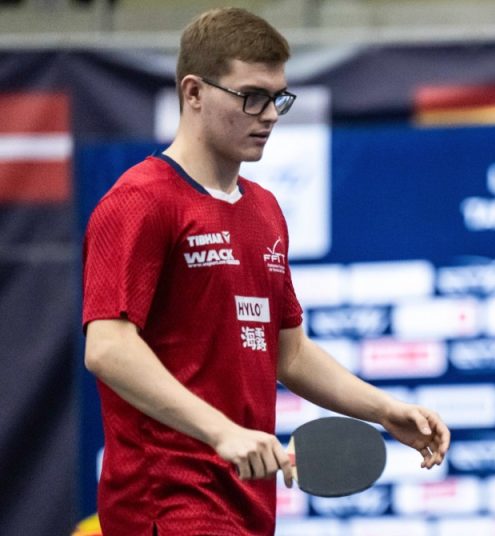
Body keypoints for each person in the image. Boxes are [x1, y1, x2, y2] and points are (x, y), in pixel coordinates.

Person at [82, 8, 449, 535]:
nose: (271, 114)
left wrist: (384, 409)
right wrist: (221, 432)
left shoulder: (264, 210)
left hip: (248, 507)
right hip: (166, 505)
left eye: (278, 97)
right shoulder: (140, 201)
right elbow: (109, 347)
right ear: (194, 93)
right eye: (251, 95)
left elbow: (289, 351)